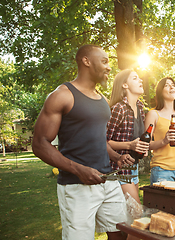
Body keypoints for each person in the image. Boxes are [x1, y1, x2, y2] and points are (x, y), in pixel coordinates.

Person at [32, 45, 134, 240]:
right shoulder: (62, 95)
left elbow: (97, 138)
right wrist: (79, 170)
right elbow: (39, 144)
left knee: (120, 233)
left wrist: (116, 157)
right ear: (86, 61)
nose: (109, 67)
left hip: (108, 181)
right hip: (76, 186)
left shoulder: (102, 100)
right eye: (104, 61)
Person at [106, 69, 149, 205]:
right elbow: (103, 141)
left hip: (133, 167)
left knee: (129, 215)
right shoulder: (119, 109)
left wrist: (142, 148)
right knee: (136, 211)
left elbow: (138, 138)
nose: (140, 80)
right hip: (118, 168)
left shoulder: (140, 107)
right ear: (125, 85)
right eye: (135, 78)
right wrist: (129, 145)